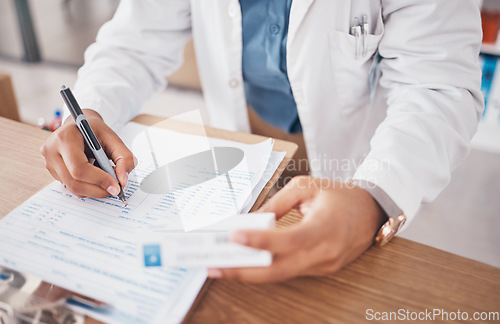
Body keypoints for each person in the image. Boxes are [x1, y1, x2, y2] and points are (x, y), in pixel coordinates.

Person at [40, 0, 483, 283]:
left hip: (365, 152)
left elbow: (437, 86)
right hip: (245, 135)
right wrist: (92, 111)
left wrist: (375, 198)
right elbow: (133, 45)